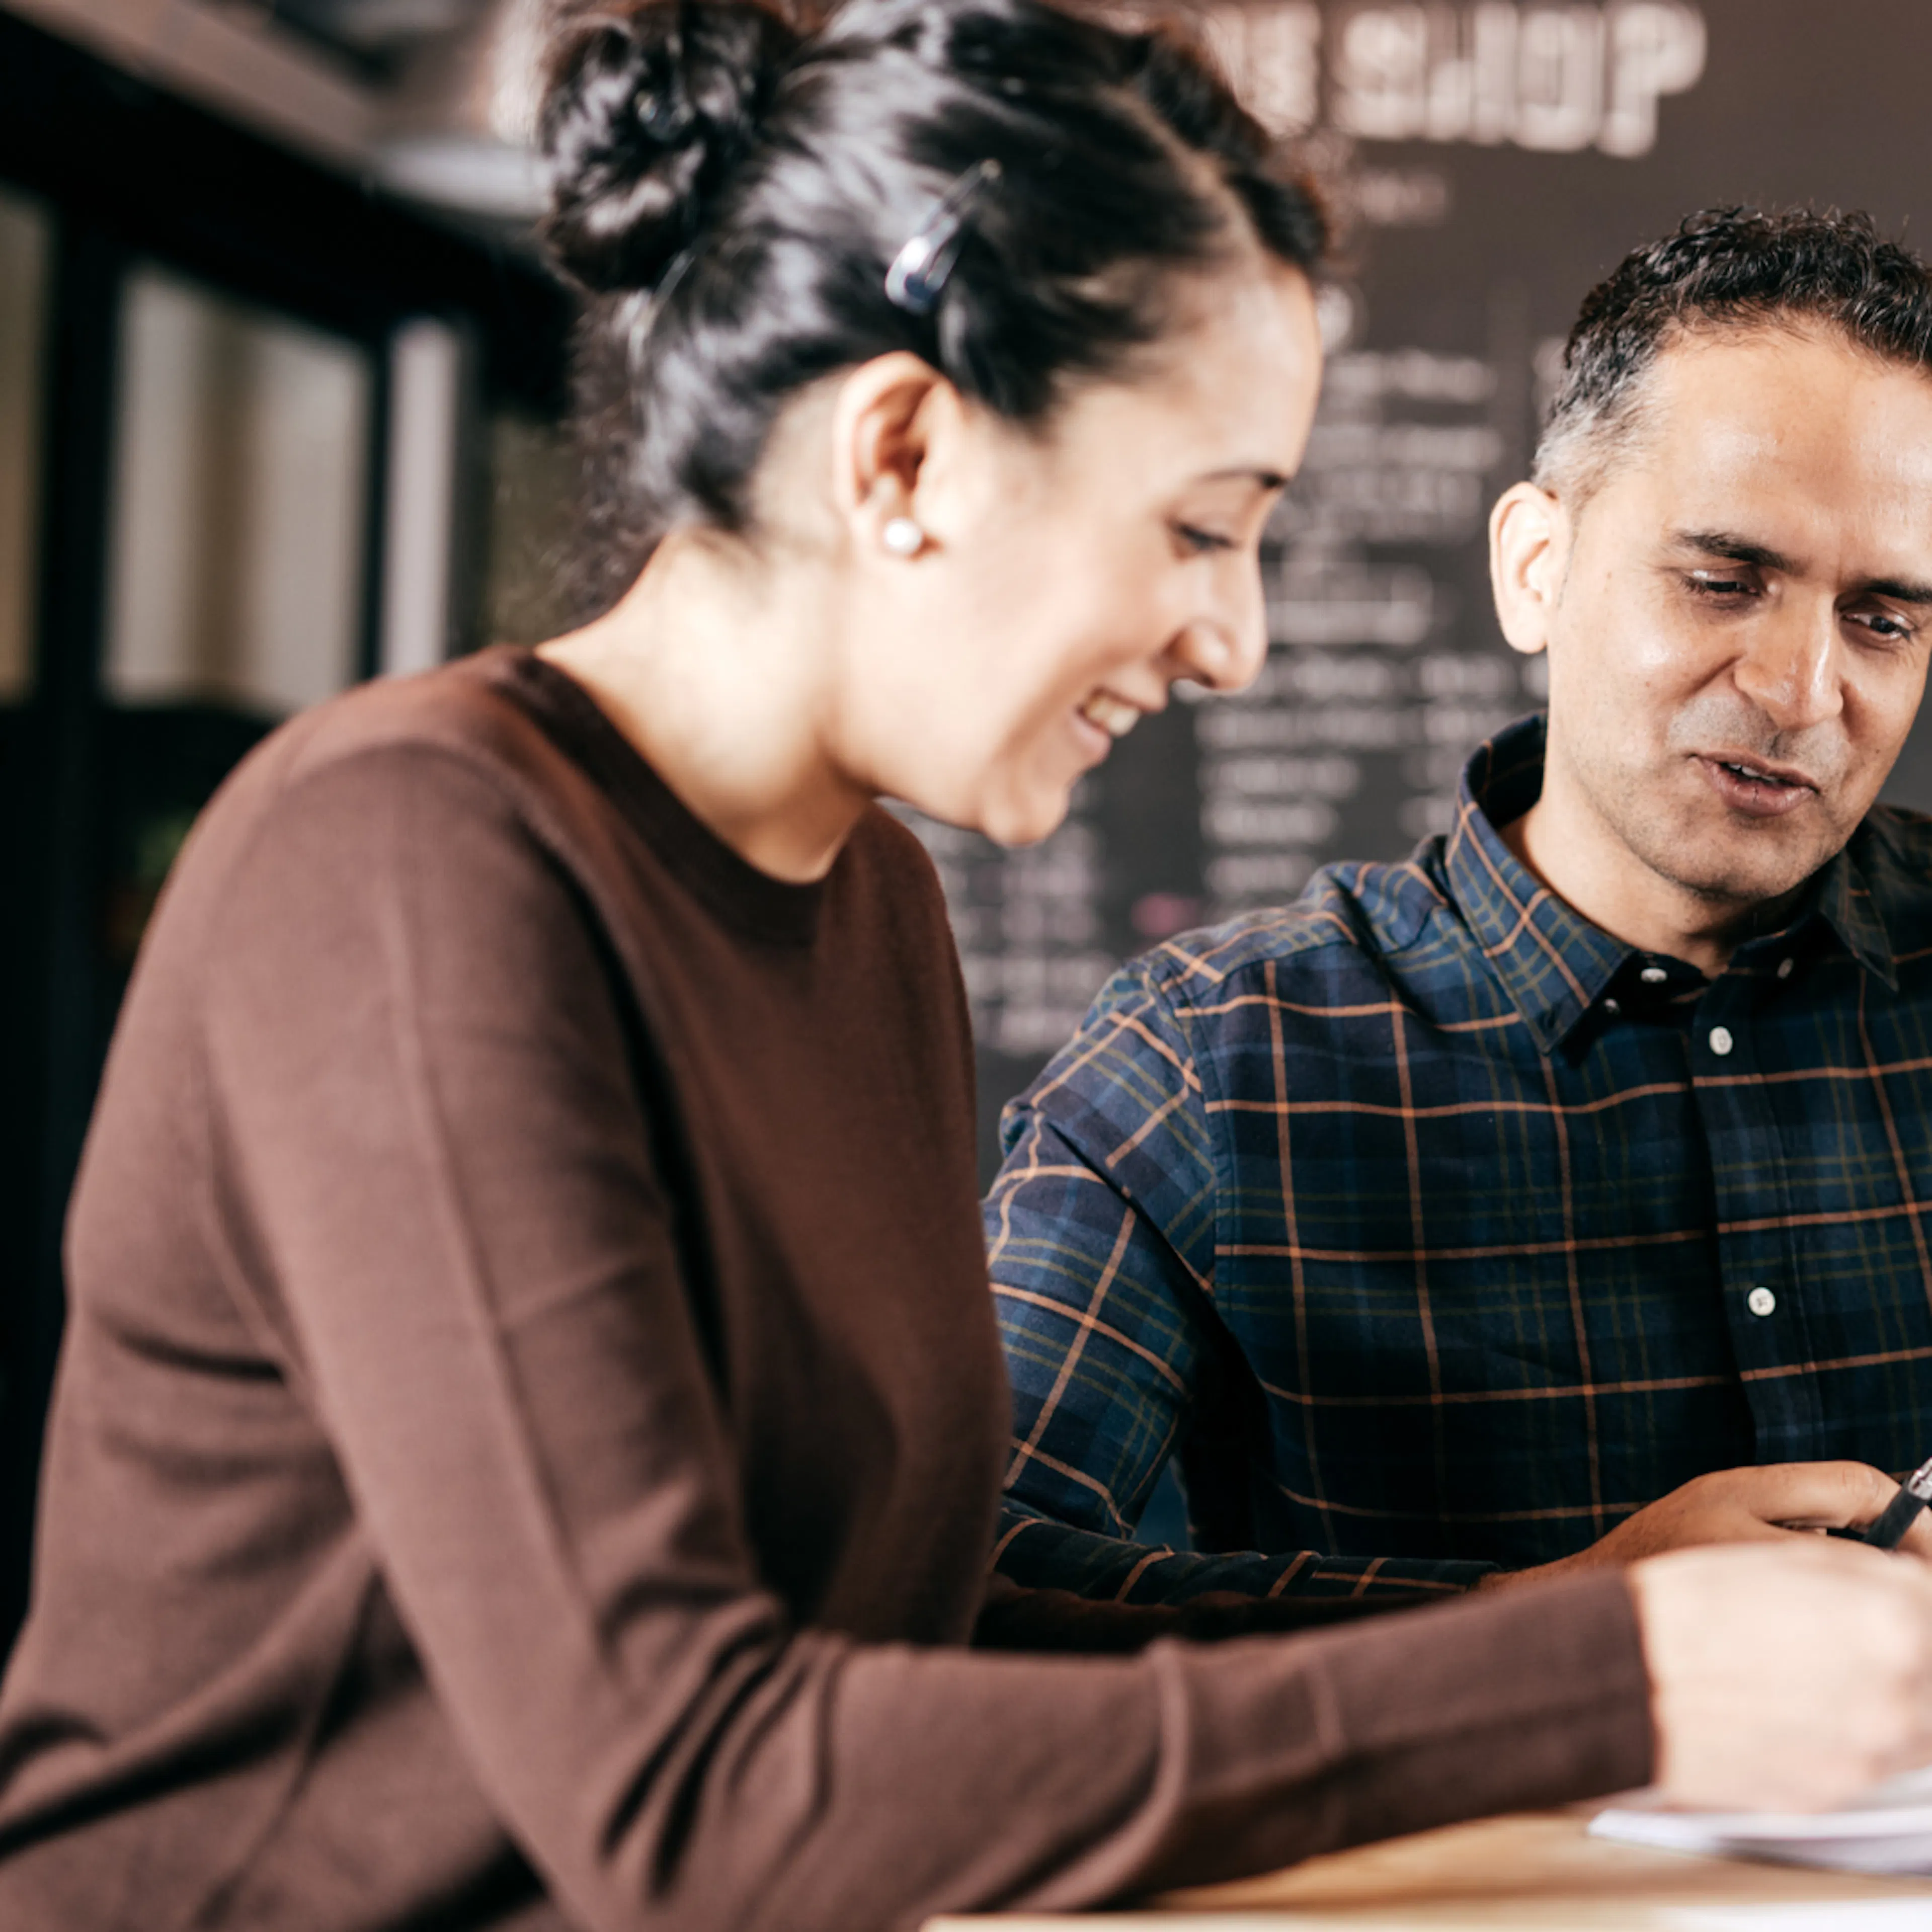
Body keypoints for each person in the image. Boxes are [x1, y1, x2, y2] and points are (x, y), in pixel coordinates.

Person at [3, 13, 1931, 1925]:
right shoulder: (412, 857)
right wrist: (1617, 1679)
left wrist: (1572, 1630)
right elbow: (689, 1797)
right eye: (1198, 528)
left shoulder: (868, 902)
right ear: (907, 450)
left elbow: (931, 1639)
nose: (1232, 645)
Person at [988, 205, 1932, 1612]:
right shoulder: (1209, 1069)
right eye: (1724, 580)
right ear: (1534, 568)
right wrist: (1552, 1631)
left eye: (1884, 619)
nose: (1802, 691)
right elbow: (975, 1579)